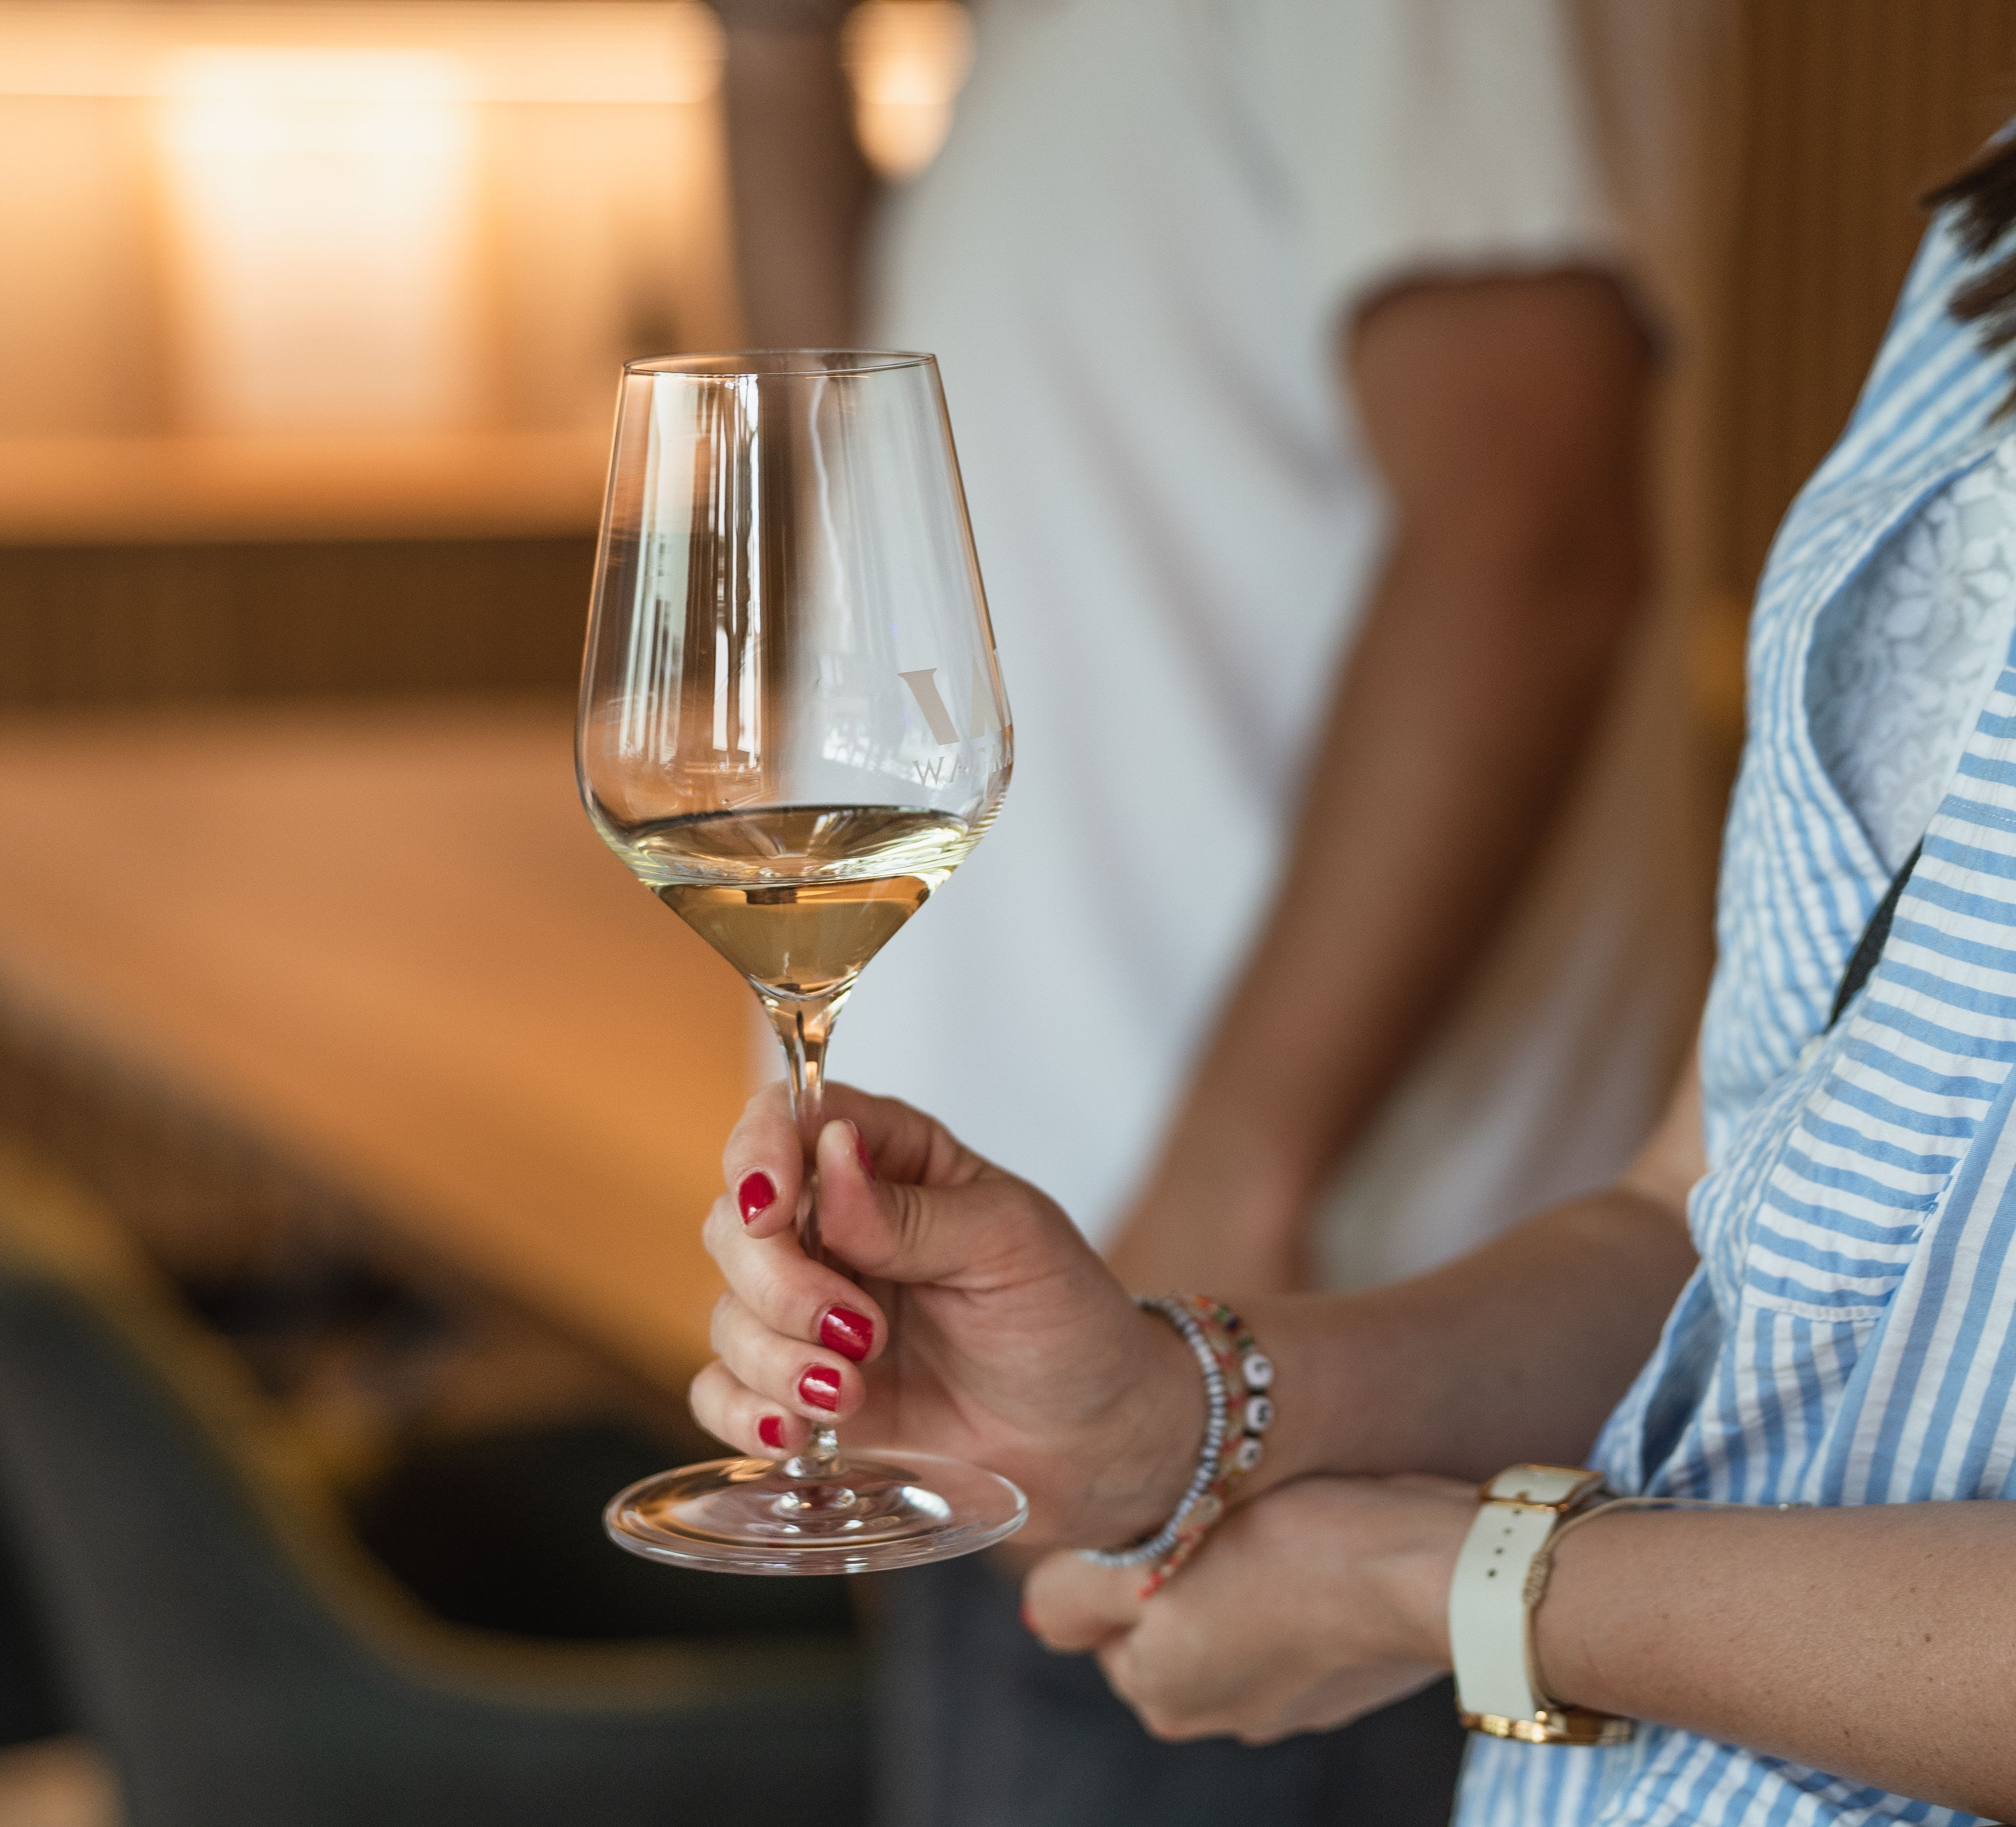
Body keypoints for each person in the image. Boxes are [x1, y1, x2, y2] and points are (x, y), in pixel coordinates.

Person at [685, 138, 2016, 1827]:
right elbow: (1708, 1223)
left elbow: (1528, 538)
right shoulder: (1981, 259)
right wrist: (1175, 1406)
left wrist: (1451, 1582)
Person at [713, 0, 1703, 1816]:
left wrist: (1226, 1213)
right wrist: (776, 62)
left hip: (1294, 1372)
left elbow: (1531, 539)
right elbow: (857, 517)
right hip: (1025, 1368)